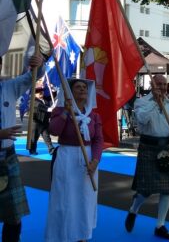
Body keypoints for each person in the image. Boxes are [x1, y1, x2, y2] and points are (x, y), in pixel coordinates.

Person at [125, 75, 169, 240]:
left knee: (167, 189)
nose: (163, 87)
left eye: (165, 84)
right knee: (146, 190)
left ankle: (160, 225)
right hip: (148, 147)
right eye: (159, 84)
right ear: (151, 85)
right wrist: (156, 103)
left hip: (165, 146)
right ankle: (133, 209)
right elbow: (142, 120)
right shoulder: (141, 102)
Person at [44, 79, 103, 242]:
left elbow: (98, 140)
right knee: (65, 198)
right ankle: (62, 235)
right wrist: (66, 113)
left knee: (85, 199)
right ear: (70, 92)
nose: (82, 89)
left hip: (88, 160)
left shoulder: (94, 114)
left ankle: (82, 235)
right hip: (66, 159)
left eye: (84, 87)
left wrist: (95, 161)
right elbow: (54, 130)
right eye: (78, 87)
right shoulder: (60, 110)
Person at [0, 54, 44, 242]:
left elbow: (31, 77)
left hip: (7, 157)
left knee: (14, 216)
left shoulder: (9, 86)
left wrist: (38, 65)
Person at [29, 84, 55, 155]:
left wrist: (52, 89)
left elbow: (53, 96)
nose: (40, 93)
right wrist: (50, 109)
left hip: (44, 122)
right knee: (34, 138)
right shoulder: (33, 101)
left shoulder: (45, 99)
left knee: (47, 137)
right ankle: (32, 150)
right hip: (36, 122)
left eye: (41, 91)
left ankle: (51, 149)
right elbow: (41, 107)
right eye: (38, 92)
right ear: (34, 94)